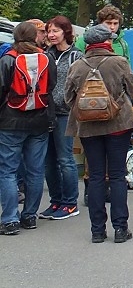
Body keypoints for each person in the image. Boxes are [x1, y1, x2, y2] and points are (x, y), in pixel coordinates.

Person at [64, 24, 133, 243]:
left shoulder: (77, 66)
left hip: (89, 128)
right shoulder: (119, 62)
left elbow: (68, 98)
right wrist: (120, 105)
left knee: (96, 176)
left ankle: (97, 231)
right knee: (117, 176)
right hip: (118, 125)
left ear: (88, 44)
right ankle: (120, 229)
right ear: (108, 42)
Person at [0, 21, 56, 235]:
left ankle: (10, 219)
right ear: (35, 37)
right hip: (39, 121)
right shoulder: (46, 59)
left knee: (8, 171)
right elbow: (50, 88)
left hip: (10, 121)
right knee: (35, 171)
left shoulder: (8, 59)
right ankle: (30, 216)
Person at [39, 16, 83, 221]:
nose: (51, 34)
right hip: (45, 112)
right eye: (49, 31)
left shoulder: (76, 56)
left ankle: (70, 203)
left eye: (55, 30)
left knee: (65, 159)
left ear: (66, 31)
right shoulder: (45, 54)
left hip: (65, 113)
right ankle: (55, 200)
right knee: (48, 161)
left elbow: (81, 84)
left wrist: (72, 104)